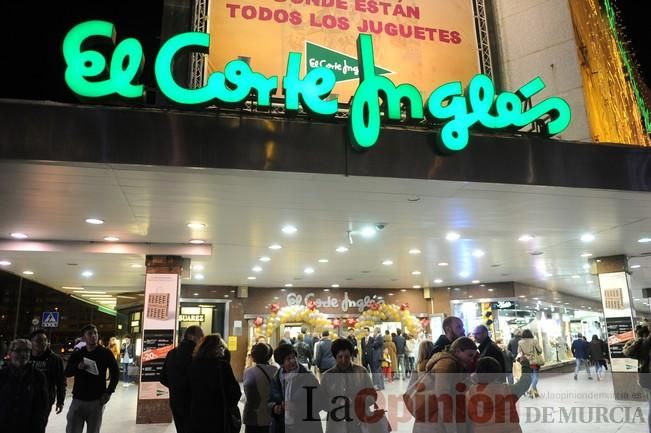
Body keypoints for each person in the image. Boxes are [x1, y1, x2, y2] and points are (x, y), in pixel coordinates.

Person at [409, 337, 478, 433]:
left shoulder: (447, 362)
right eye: (470, 355)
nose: (471, 360)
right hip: (436, 423)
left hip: (431, 420)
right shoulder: (447, 364)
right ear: (457, 351)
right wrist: (452, 430)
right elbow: (443, 399)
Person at [65, 324, 120, 433]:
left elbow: (115, 373)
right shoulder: (78, 354)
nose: (94, 336)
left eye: (95, 333)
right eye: (90, 334)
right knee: (72, 429)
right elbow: (67, 372)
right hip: (78, 400)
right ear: (84, 338)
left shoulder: (105, 353)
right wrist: (78, 367)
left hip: (97, 401)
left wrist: (109, 392)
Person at [319, 338, 377, 433]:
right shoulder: (327, 376)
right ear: (335, 357)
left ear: (351, 356)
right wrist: (338, 402)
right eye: (340, 357)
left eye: (346, 357)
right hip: (336, 426)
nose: (343, 360)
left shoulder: (361, 372)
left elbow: (372, 396)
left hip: (359, 424)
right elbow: (322, 402)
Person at [190, 334, 242, 433]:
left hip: (197, 415)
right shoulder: (222, 366)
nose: (223, 350)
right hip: (219, 416)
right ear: (216, 349)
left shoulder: (193, 365)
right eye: (222, 347)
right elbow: (235, 392)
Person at [466, 356, 533, 433]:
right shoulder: (509, 390)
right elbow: (525, 382)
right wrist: (525, 364)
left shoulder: (469, 395)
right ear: (498, 374)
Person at [269, 344, 322, 433]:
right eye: (288, 359)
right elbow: (269, 401)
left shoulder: (308, 377)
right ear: (281, 364)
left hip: (306, 427)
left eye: (294, 357)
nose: (293, 361)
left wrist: (298, 408)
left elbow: (320, 402)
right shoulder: (277, 378)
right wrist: (274, 408)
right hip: (283, 426)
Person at [160, 325, 204, 433]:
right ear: (191, 337)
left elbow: (162, 378)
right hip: (195, 402)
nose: (202, 339)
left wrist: (175, 386)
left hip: (176, 401)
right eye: (201, 336)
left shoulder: (171, 353)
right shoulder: (199, 355)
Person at [0, 338, 49, 433]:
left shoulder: (39, 376)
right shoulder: (2, 375)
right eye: (18, 350)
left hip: (28, 427)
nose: (23, 354)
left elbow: (43, 407)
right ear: (10, 353)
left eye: (26, 351)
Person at [30, 329, 66, 425]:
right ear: (31, 342)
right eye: (38, 340)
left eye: (45, 340)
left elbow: (61, 382)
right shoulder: (26, 357)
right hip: (26, 398)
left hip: (45, 400)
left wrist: (60, 401)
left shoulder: (55, 359)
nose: (43, 343)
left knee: (39, 426)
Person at [243, 343, 278, 433]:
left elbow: (248, 395)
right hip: (271, 415)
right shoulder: (275, 370)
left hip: (253, 416)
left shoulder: (249, 372)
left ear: (254, 357)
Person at [517, 329, 543, 398]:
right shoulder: (534, 341)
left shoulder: (520, 342)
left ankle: (534, 393)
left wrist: (525, 355)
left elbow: (519, 352)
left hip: (526, 362)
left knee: (532, 377)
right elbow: (540, 350)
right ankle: (531, 390)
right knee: (536, 376)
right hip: (534, 361)